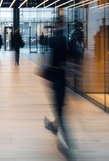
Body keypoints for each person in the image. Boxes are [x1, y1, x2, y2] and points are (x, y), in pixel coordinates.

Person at [43, 20, 74, 160]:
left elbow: (46, 43)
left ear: (57, 26)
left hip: (56, 78)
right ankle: (55, 125)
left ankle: (67, 140)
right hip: (61, 76)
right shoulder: (65, 40)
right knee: (59, 105)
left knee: (59, 108)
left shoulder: (56, 39)